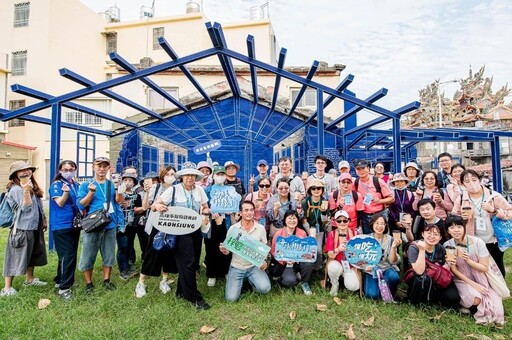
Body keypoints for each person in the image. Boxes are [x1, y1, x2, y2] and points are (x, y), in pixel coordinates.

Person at [152, 162, 211, 309]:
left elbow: (205, 206)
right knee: (188, 262)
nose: (190, 178)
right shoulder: (173, 190)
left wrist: (204, 212)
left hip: (195, 230)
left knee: (192, 261)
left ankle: (181, 291)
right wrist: (158, 206)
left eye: (192, 175)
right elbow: (155, 205)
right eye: (187, 175)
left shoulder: (199, 191)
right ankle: (194, 297)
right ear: (182, 177)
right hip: (178, 232)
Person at [443, 215, 504, 328]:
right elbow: (454, 270)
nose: (456, 230)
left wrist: (469, 261)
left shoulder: (477, 242)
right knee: (476, 299)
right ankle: (467, 306)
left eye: (459, 226)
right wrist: (474, 285)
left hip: (479, 276)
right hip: (462, 278)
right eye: (451, 227)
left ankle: (473, 307)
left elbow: (484, 267)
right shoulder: (448, 245)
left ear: (464, 227)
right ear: (448, 230)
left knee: (497, 310)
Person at [77, 157, 124, 294]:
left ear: (109, 168)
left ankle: (106, 280)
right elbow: (81, 204)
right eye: (99, 166)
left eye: (105, 166)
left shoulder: (111, 184)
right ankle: (88, 283)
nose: (102, 169)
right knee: (88, 254)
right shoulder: (86, 184)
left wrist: (119, 191)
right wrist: (91, 193)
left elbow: (118, 201)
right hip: (93, 224)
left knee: (109, 253)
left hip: (110, 223)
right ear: (93, 167)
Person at [452, 169, 512, 277]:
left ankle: (501, 290)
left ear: (480, 180)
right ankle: (485, 289)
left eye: (474, 180)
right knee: (478, 266)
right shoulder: (461, 198)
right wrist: (462, 218)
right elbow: (453, 217)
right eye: (467, 181)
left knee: (497, 265)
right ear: (463, 184)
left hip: (494, 239)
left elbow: (510, 212)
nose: (471, 184)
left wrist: (494, 210)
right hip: (473, 240)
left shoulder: (494, 196)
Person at [1, 161, 48, 297]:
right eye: (22, 170)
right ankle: (7, 288)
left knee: (32, 255)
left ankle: (29, 279)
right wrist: (26, 191)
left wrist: (43, 220)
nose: (26, 172)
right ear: (15, 174)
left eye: (28, 169)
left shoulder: (32, 185)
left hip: (34, 227)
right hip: (22, 228)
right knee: (14, 257)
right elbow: (26, 208)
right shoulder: (16, 189)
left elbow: (38, 205)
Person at [135, 166, 177, 298]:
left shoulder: (177, 189)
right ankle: (141, 283)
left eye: (173, 174)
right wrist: (147, 192)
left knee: (169, 253)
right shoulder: (156, 187)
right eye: (168, 174)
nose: (170, 176)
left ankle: (164, 281)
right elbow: (146, 207)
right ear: (163, 175)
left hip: (172, 225)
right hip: (156, 224)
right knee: (151, 253)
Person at [220, 201, 271, 302]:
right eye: (246, 210)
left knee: (265, 288)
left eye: (251, 210)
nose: (249, 213)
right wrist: (224, 250)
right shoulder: (233, 229)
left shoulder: (260, 228)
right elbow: (228, 252)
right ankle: (241, 282)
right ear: (240, 213)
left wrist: (265, 261)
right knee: (231, 299)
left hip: (254, 267)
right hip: (237, 266)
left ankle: (250, 281)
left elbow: (264, 248)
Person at [405, 224, 460, 308]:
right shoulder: (414, 247)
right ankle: (418, 300)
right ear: (423, 234)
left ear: (440, 237)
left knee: (453, 298)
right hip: (419, 279)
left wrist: (448, 264)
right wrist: (422, 250)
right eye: (429, 233)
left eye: (436, 234)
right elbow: (419, 271)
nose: (432, 236)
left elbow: (443, 272)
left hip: (436, 278)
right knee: (424, 279)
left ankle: (433, 298)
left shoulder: (440, 248)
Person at [48, 160, 81, 300]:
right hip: (61, 225)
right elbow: (60, 203)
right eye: (65, 169)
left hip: (74, 225)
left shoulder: (76, 185)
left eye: (71, 169)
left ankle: (60, 280)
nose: (68, 171)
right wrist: (66, 193)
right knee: (67, 255)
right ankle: (64, 288)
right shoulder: (57, 185)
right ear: (60, 171)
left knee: (68, 254)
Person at [270, 210, 314, 295]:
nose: (292, 220)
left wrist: (298, 258)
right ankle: (284, 277)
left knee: (309, 263)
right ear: (285, 220)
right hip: (285, 263)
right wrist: (285, 260)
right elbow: (273, 251)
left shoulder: (302, 232)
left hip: (299, 261)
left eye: (294, 218)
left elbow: (306, 250)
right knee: (289, 282)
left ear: (297, 220)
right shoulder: (279, 234)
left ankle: (305, 282)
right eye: (289, 218)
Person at [204, 166, 232, 287]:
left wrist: (232, 210)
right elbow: (203, 206)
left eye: (222, 174)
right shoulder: (207, 190)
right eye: (218, 174)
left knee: (226, 246)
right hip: (212, 222)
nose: (220, 176)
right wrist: (210, 211)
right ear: (213, 176)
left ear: (225, 176)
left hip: (225, 222)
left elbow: (234, 203)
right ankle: (212, 274)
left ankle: (225, 271)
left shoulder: (230, 190)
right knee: (211, 247)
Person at [364, 214, 401, 300]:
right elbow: (361, 258)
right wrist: (366, 266)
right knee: (372, 295)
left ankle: (391, 292)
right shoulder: (366, 239)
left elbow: (393, 261)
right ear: (372, 224)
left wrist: (393, 248)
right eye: (377, 223)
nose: (379, 226)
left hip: (386, 268)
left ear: (385, 225)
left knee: (393, 277)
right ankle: (377, 287)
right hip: (372, 270)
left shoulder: (390, 239)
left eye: (382, 223)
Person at [352, 160, 394, 234]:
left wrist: (380, 201)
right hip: (365, 216)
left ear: (368, 169)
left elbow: (391, 199)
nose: (361, 171)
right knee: (369, 240)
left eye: (363, 168)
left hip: (379, 215)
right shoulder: (356, 183)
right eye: (358, 169)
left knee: (383, 239)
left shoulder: (377, 181)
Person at [324, 210, 360, 296]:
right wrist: (337, 249)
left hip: (350, 265)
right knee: (333, 267)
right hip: (337, 263)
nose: (342, 223)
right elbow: (330, 255)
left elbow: (360, 253)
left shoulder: (355, 233)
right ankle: (335, 284)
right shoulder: (332, 234)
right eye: (339, 221)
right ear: (335, 222)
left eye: (345, 220)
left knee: (353, 286)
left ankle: (345, 281)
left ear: (349, 221)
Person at [301, 178, 329, 270]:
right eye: (313, 188)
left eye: (319, 188)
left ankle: (318, 267)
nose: (316, 190)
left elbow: (325, 220)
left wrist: (324, 212)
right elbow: (304, 219)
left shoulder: (324, 202)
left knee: (318, 250)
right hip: (307, 229)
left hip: (320, 228)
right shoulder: (305, 202)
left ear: (322, 190)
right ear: (310, 190)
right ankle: (307, 266)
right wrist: (309, 231)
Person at [117, 172, 140, 280]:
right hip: (121, 224)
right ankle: (123, 270)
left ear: (134, 183)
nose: (127, 182)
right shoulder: (118, 193)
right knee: (123, 246)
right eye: (125, 180)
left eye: (130, 180)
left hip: (132, 224)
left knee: (129, 245)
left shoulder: (136, 195)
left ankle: (128, 265)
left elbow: (138, 208)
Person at [387, 173, 415, 240]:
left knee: (408, 241)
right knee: (395, 241)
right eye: (397, 181)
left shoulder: (410, 194)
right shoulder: (391, 194)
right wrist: (396, 221)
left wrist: (411, 218)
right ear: (394, 183)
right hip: (394, 223)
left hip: (407, 223)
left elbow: (413, 209)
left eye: (402, 181)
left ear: (405, 182)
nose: (399, 183)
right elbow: (390, 209)